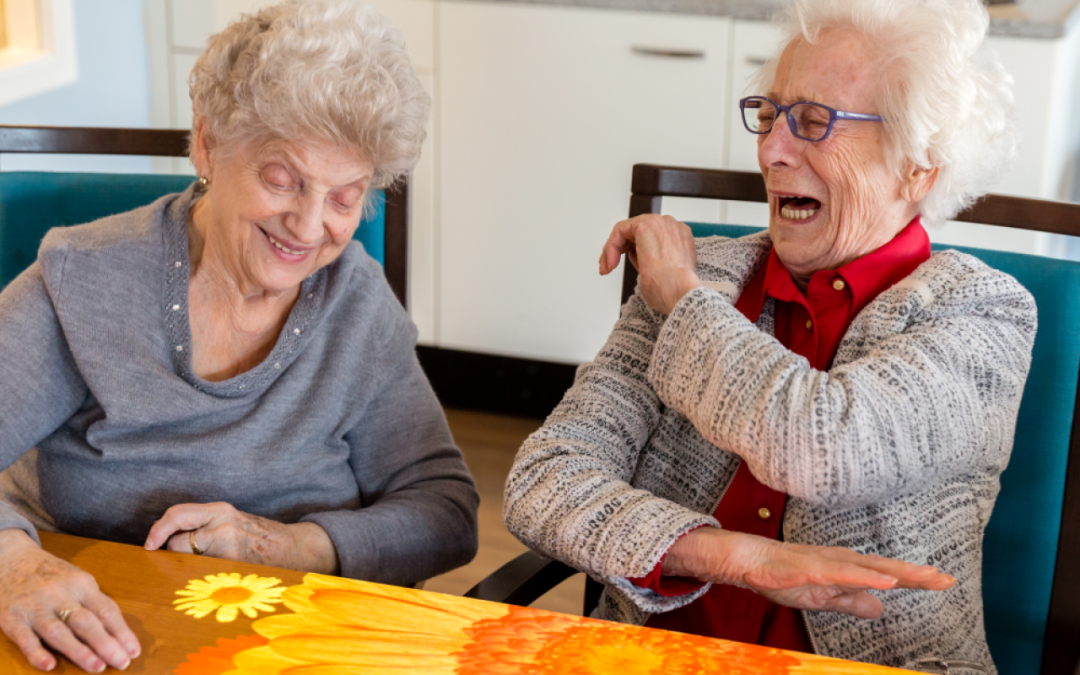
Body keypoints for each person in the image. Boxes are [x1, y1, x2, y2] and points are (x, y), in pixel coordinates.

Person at [504, 0, 1034, 671]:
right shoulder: (703, 276)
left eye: (814, 122)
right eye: (770, 115)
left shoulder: (983, 315)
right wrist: (734, 558)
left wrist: (683, 300)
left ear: (918, 166)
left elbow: (824, 447)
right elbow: (543, 480)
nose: (771, 150)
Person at [0, 2, 478, 672]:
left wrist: (290, 546)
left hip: (300, 645)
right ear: (209, 145)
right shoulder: (83, 281)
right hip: (94, 639)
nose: (308, 227)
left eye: (344, 198)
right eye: (282, 180)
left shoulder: (357, 305)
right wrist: (12, 562)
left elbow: (445, 511)